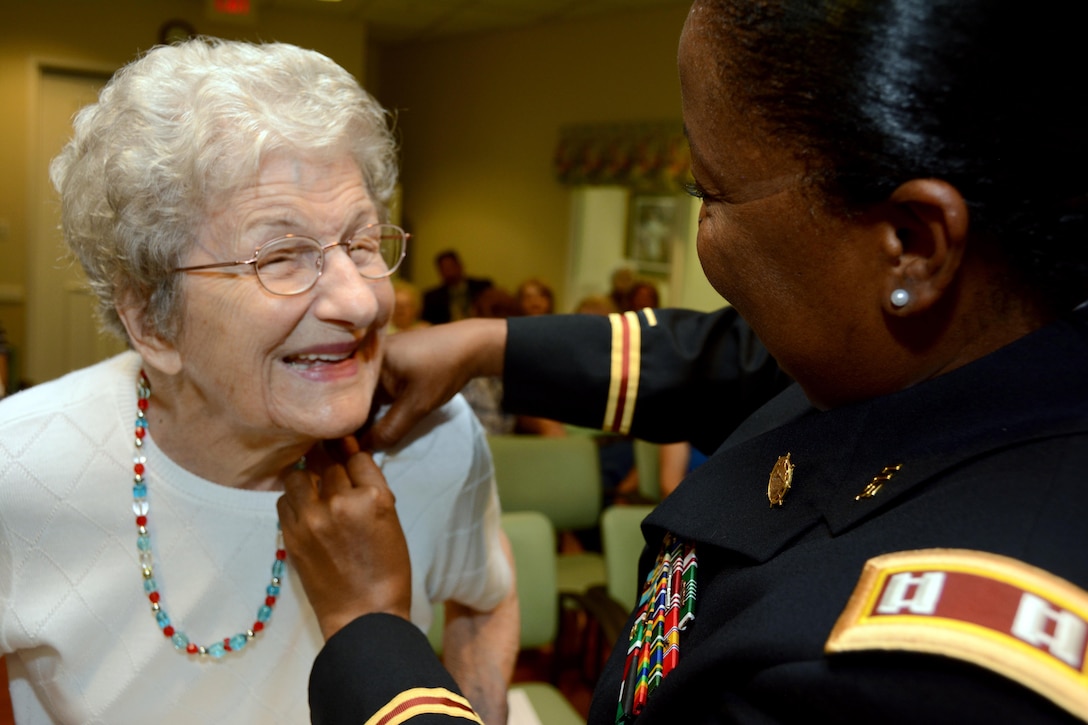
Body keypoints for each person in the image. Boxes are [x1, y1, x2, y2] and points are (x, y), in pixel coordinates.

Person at [283, 0, 1088, 722]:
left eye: (709, 193)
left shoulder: (930, 677)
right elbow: (734, 363)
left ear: (912, 245)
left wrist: (370, 634)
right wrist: (489, 345)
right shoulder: (961, 345)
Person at [0, 38, 518, 724]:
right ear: (153, 320)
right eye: (281, 256)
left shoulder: (434, 441)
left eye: (363, 244)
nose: (362, 303)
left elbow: (487, 597)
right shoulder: (18, 469)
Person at [420, 250, 493, 325]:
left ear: (460, 265)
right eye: (444, 268)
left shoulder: (482, 287)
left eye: (451, 266)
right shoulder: (432, 298)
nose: (448, 271)